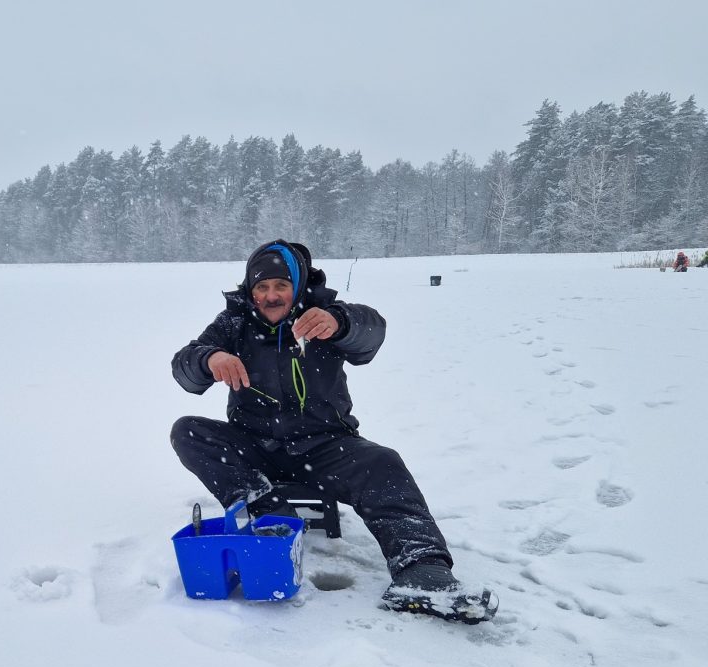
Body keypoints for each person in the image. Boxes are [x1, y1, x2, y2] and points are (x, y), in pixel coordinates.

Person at [170, 239, 488, 619]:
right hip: (254, 446)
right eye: (261, 288)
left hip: (323, 447)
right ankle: (268, 508)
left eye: (281, 286)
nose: (271, 296)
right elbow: (184, 367)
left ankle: (421, 569)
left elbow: (372, 333)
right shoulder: (233, 323)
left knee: (383, 462)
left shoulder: (324, 315)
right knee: (187, 430)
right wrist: (210, 357)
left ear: (298, 286)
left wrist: (341, 324)